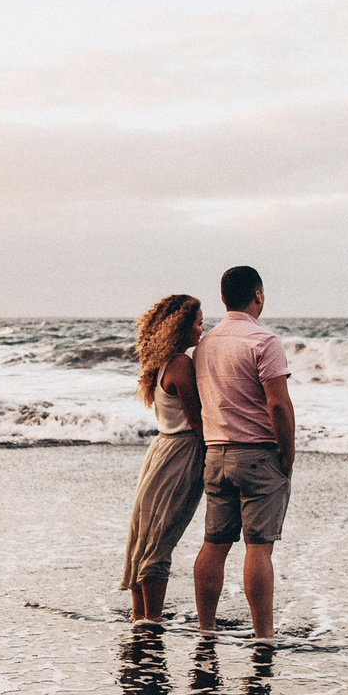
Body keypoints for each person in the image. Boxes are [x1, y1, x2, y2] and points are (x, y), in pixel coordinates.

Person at [191, 265, 294, 639]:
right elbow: (278, 405)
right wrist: (288, 453)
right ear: (259, 295)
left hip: (216, 454)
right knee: (258, 548)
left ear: (222, 298)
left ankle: (206, 627)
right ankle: (263, 634)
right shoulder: (264, 341)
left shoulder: (205, 344)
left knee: (214, 544)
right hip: (257, 454)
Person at [118, 293, 205, 622]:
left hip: (161, 449)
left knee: (145, 537)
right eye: (198, 321)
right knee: (160, 540)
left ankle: (139, 616)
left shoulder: (158, 364)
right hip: (181, 452)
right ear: (181, 326)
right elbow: (197, 422)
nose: (202, 328)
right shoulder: (181, 364)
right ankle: (151, 621)